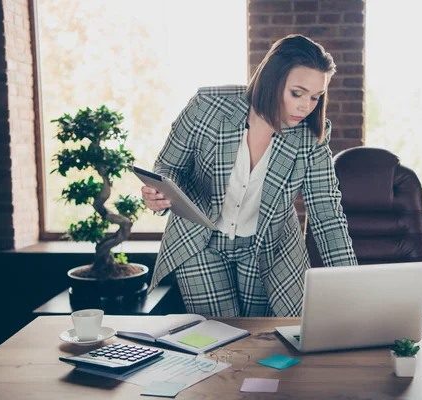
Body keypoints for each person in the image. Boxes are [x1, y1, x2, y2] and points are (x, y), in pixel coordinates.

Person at [141, 34, 357, 318]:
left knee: (263, 342)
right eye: (297, 93)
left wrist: (354, 285)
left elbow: (327, 214)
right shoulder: (207, 107)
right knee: (220, 341)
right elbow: (168, 167)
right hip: (201, 241)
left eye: (315, 97)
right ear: (272, 80)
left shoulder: (310, 137)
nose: (306, 107)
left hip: (268, 245)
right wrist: (158, 194)